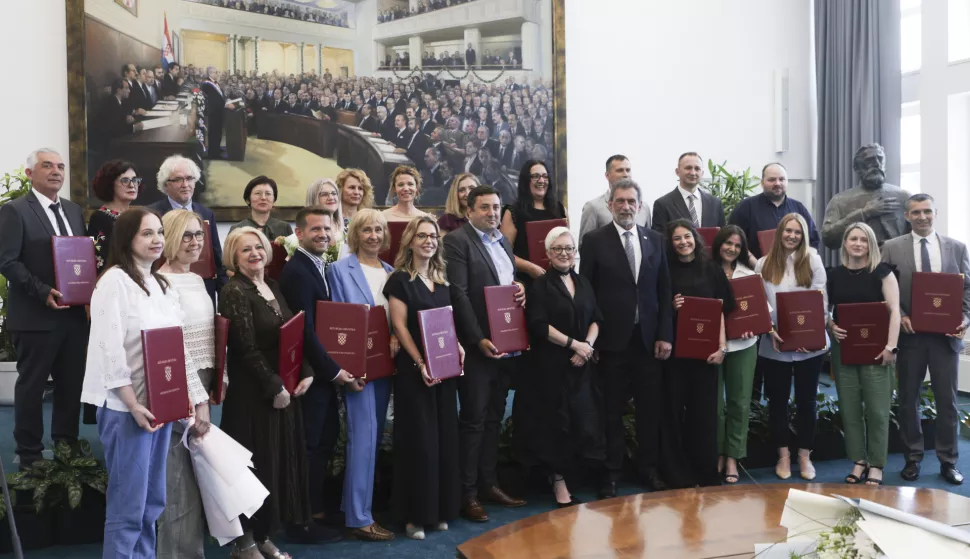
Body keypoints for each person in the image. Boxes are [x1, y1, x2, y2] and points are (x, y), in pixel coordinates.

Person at [80, 207, 209, 557]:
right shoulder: (113, 282)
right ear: (127, 239)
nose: (156, 240)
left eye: (159, 233)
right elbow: (108, 347)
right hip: (126, 409)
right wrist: (132, 403)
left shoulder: (160, 283)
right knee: (128, 508)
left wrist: (197, 398)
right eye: (146, 233)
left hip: (160, 406)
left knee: (153, 503)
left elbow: (179, 348)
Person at [219, 226, 315, 558]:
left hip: (283, 392)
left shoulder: (272, 285)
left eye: (258, 246)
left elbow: (292, 335)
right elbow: (245, 348)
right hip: (252, 396)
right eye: (245, 250)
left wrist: (306, 372)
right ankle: (244, 544)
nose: (254, 253)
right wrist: (275, 385)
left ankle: (263, 537)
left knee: (273, 467)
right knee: (252, 469)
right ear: (234, 256)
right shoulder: (234, 291)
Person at [579, 178, 673, 497]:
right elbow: (586, 294)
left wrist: (664, 335)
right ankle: (612, 473)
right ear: (610, 204)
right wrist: (591, 340)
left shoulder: (655, 239)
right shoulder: (594, 240)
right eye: (620, 201)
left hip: (647, 341)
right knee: (611, 410)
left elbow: (663, 290)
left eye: (632, 201)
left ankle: (647, 469)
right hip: (610, 342)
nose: (626, 207)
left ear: (639, 205)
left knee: (650, 409)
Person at [443, 185, 527, 523]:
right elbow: (458, 294)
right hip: (478, 347)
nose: (492, 213)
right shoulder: (458, 241)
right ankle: (468, 494)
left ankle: (489, 483)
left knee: (494, 417)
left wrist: (519, 288)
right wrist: (477, 340)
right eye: (485, 208)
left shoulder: (502, 241)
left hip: (507, 344)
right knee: (474, 420)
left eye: (495, 208)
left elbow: (507, 282)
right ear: (470, 211)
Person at [0, 148, 89, 467]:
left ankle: (66, 446)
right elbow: (7, 261)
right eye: (47, 165)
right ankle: (29, 453)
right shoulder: (15, 210)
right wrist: (41, 291)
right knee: (32, 385)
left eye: (61, 166)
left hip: (74, 315)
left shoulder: (74, 210)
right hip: (36, 315)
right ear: (29, 174)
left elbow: (79, 259)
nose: (56, 171)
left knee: (70, 384)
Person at [278, 208, 360, 535]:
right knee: (310, 446)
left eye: (327, 228)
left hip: (323, 373)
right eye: (315, 229)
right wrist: (335, 371)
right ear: (298, 233)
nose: (323, 234)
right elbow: (306, 331)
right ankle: (302, 521)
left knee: (323, 441)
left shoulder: (321, 265)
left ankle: (313, 509)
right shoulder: (298, 271)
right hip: (311, 375)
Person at [881, 193, 970, 485]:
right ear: (907, 216)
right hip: (910, 338)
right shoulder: (892, 248)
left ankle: (948, 461)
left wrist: (965, 319)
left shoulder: (957, 248)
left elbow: (967, 290)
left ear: (935, 213)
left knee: (948, 402)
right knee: (908, 400)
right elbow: (882, 288)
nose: (922, 217)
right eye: (916, 212)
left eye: (927, 211)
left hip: (945, 339)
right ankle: (913, 458)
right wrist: (901, 314)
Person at [384, 216, 463, 540]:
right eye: (422, 236)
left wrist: (457, 345)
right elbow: (400, 327)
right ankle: (414, 517)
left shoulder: (443, 281)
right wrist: (420, 364)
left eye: (433, 236)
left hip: (443, 373)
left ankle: (439, 511)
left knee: (444, 440)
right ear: (410, 242)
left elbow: (447, 323)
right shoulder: (400, 281)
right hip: (414, 374)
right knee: (420, 444)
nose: (429, 241)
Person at [324, 209, 396, 541]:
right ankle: (359, 517)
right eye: (366, 230)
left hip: (386, 365)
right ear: (356, 235)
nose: (373, 236)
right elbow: (337, 319)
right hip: (357, 369)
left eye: (379, 230)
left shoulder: (391, 271)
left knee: (374, 436)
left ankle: (359, 507)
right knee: (362, 438)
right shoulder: (338, 270)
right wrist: (347, 368)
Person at [524, 227, 603, 506]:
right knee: (557, 424)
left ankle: (572, 476)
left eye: (569, 248)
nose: (564, 254)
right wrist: (574, 345)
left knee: (582, 422)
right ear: (547, 253)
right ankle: (558, 480)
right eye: (557, 249)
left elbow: (596, 317)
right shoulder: (541, 286)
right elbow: (538, 325)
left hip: (581, 364)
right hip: (553, 366)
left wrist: (587, 346)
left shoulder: (583, 283)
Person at [156, 209, 217, 558]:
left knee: (196, 476)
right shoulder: (162, 283)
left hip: (202, 382)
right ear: (168, 240)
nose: (194, 242)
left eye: (198, 235)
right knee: (177, 480)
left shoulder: (195, 278)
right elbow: (176, 347)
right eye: (186, 236)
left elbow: (205, 337)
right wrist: (198, 398)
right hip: (180, 385)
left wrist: (216, 382)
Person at [756, 213, 829, 481]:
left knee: (807, 402)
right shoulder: (764, 263)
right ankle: (784, 455)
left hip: (809, 346)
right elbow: (759, 303)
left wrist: (806, 336)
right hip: (774, 344)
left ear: (804, 235)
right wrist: (771, 330)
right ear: (779, 232)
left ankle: (804, 456)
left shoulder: (813, 259)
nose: (792, 236)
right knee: (777, 402)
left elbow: (821, 300)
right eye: (788, 230)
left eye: (797, 232)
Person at [826, 222, 900, 486]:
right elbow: (826, 310)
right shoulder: (833, 274)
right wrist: (831, 326)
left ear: (870, 244)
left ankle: (877, 464)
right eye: (852, 239)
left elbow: (895, 312)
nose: (857, 244)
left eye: (863, 240)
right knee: (850, 409)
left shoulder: (882, 273)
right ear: (845, 243)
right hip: (844, 350)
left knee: (878, 411)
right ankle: (858, 461)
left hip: (878, 350)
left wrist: (891, 347)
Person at [662, 219, 733, 488]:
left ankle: (705, 470)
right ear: (671, 243)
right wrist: (671, 305)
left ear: (696, 238)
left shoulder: (711, 269)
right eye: (677, 239)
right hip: (676, 356)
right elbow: (656, 309)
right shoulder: (665, 270)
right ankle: (677, 474)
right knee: (673, 412)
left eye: (687, 237)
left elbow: (721, 311)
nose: (683, 242)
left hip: (706, 356)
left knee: (704, 415)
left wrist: (722, 347)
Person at [710, 225, 759, 484]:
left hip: (744, 346)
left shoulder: (749, 275)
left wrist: (754, 326)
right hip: (712, 348)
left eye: (738, 245)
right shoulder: (706, 272)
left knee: (739, 403)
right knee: (715, 406)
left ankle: (733, 457)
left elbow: (763, 313)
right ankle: (718, 452)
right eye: (728, 243)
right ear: (719, 244)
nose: (732, 248)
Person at [147, 155, 228, 302]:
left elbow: (216, 259)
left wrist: (224, 293)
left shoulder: (206, 213)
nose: (185, 184)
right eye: (178, 179)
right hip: (166, 288)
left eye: (190, 178)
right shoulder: (152, 215)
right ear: (166, 184)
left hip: (203, 288)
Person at [820, 143, 911, 249]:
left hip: (897, 262)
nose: (877, 164)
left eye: (880, 159)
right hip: (858, 262)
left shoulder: (904, 197)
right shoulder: (840, 201)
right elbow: (828, 238)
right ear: (857, 168)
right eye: (870, 160)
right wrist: (864, 213)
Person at [728, 162, 821, 257]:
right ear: (762, 183)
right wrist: (758, 265)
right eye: (772, 180)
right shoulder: (745, 207)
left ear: (787, 181)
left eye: (781, 179)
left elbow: (813, 241)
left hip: (795, 269)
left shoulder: (798, 208)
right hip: (754, 269)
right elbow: (732, 242)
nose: (777, 183)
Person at [500, 160, 566, 285]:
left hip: (558, 282)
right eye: (535, 176)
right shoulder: (513, 212)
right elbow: (503, 253)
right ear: (526, 181)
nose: (541, 181)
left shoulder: (560, 209)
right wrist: (529, 267)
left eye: (545, 176)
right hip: (527, 284)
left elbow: (568, 244)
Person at [578, 155, 650, 247]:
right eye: (620, 170)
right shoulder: (593, 207)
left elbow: (649, 243)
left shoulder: (644, 208)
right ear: (607, 175)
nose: (625, 174)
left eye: (628, 170)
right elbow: (585, 246)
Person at [651, 152, 726, 233]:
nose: (693, 173)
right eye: (688, 168)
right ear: (677, 172)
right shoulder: (663, 204)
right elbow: (659, 239)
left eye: (697, 169)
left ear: (702, 173)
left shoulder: (715, 204)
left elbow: (722, 237)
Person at [87, 160, 140, 273]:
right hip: (115, 279)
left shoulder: (138, 216)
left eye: (135, 180)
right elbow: (101, 258)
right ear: (110, 184)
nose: (132, 185)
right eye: (125, 180)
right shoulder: (100, 218)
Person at [230, 176, 294, 240]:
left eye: (268, 194)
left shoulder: (284, 227)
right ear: (248, 200)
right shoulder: (237, 229)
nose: (263, 197)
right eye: (258, 193)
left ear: (274, 200)